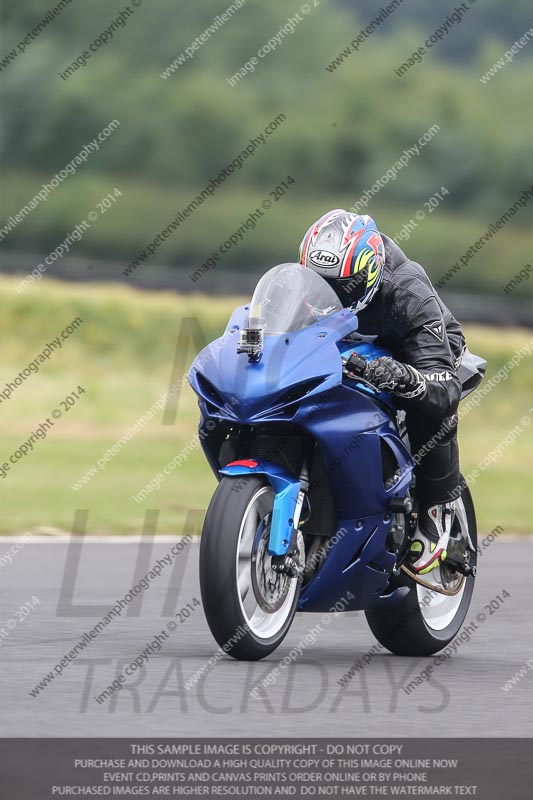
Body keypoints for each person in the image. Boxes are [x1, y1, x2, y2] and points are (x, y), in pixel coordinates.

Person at [298, 209, 467, 575]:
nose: (331, 293)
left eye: (342, 285)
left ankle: (437, 509)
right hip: (347, 346)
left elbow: (444, 386)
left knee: (428, 405)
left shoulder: (408, 293)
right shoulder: (304, 284)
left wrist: (403, 377)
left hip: (419, 352)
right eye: (320, 281)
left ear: (368, 272)